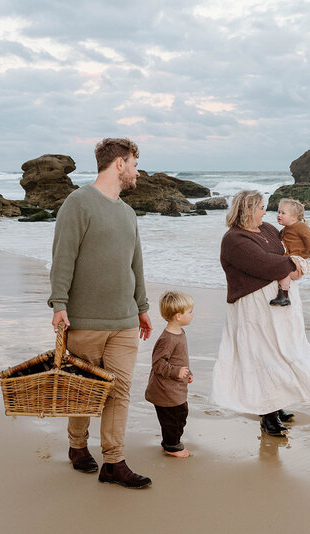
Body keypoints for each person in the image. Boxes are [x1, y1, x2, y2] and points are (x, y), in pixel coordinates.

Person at [48, 137, 153, 489]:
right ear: (120, 164)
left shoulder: (127, 212)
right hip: (86, 318)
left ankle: (114, 461)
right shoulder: (78, 203)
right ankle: (77, 446)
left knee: (119, 390)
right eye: (135, 164)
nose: (138, 171)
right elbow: (63, 257)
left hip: (124, 320)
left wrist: (142, 308)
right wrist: (58, 304)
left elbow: (135, 263)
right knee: (84, 390)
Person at [210, 190, 310, 437]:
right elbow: (266, 264)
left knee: (281, 352)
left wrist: (303, 252)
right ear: (248, 210)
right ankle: (267, 415)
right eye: (261, 208)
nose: (266, 212)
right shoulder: (234, 239)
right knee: (262, 356)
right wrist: (297, 266)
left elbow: (287, 247)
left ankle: (275, 406)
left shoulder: (266, 229)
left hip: (279, 303)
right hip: (253, 307)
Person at [145, 291, 195, 458]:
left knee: (181, 414)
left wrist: (187, 372)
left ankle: (171, 441)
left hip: (175, 386)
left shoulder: (180, 333)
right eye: (190, 311)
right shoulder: (168, 339)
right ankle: (171, 446)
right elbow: (158, 363)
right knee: (173, 418)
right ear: (178, 316)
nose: (192, 314)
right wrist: (176, 372)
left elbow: (180, 359)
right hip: (165, 389)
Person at [270, 197, 310, 306]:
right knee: (280, 266)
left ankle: (284, 296)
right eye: (278, 212)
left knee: (283, 268)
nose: (279, 215)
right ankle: (282, 293)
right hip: (291, 258)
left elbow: (308, 239)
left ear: (294, 217)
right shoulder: (284, 230)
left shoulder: (301, 226)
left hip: (300, 259)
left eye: (283, 213)